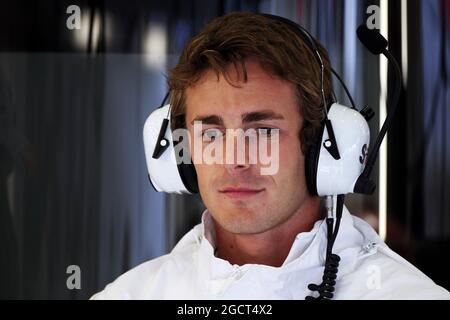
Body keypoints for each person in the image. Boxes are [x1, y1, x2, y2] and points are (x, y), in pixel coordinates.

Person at [91, 12, 450, 300]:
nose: (234, 160)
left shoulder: (406, 294)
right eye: (211, 133)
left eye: (262, 131)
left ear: (321, 146)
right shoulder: (130, 294)